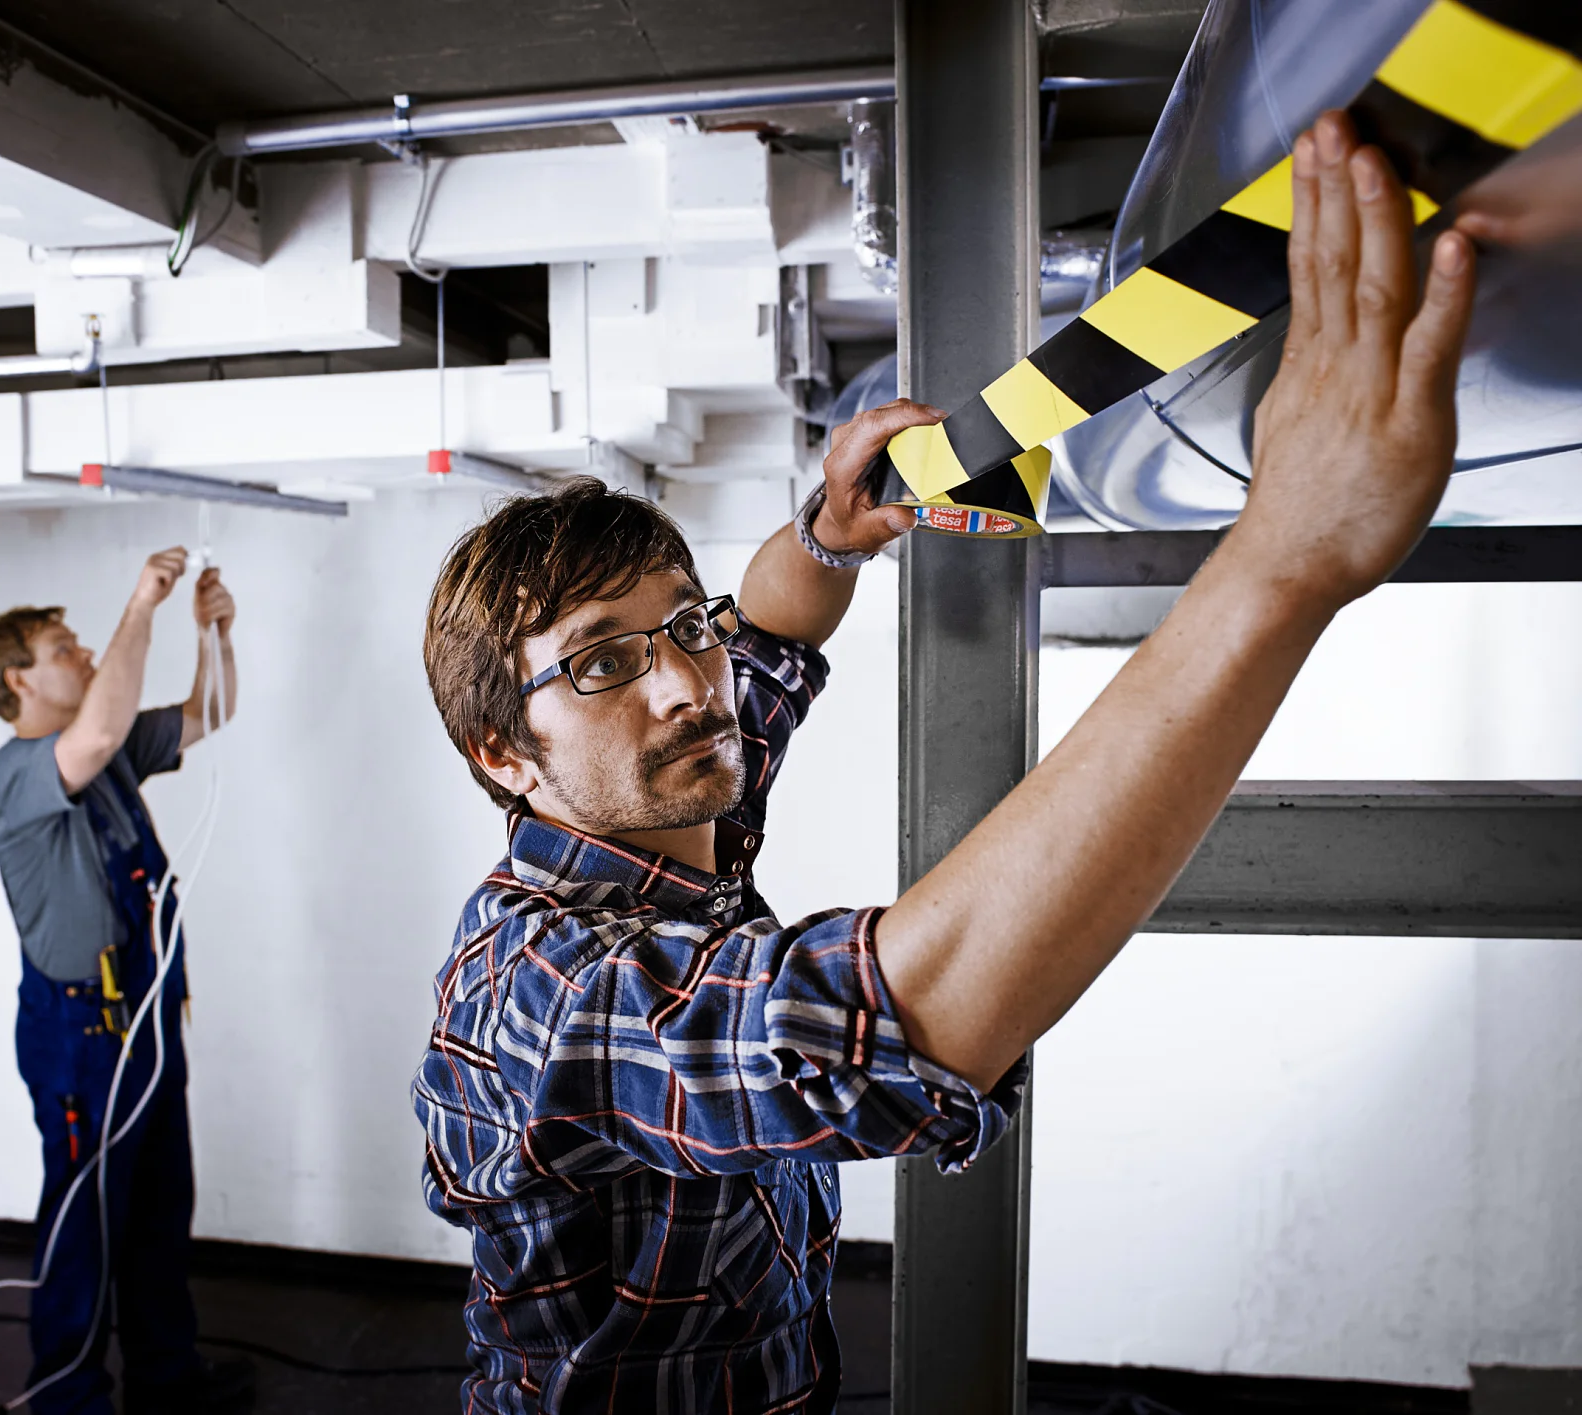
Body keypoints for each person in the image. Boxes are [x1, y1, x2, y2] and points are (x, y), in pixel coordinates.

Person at [414, 110, 1477, 1413]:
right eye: (598, 662)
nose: (690, 681)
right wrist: (1285, 559)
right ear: (500, 755)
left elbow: (769, 635)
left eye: (679, 624)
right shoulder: (543, 986)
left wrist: (829, 531)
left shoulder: (665, 825)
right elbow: (905, 1022)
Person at [0, 549, 251, 1415]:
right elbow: (93, 733)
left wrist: (214, 632)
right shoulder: (18, 772)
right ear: (18, 679)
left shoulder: (108, 750)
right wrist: (143, 603)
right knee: (85, 1226)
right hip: (81, 1033)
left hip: (149, 1015)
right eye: (66, 647)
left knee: (161, 1210)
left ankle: (167, 1382)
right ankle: (67, 1400)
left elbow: (210, 712)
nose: (86, 653)